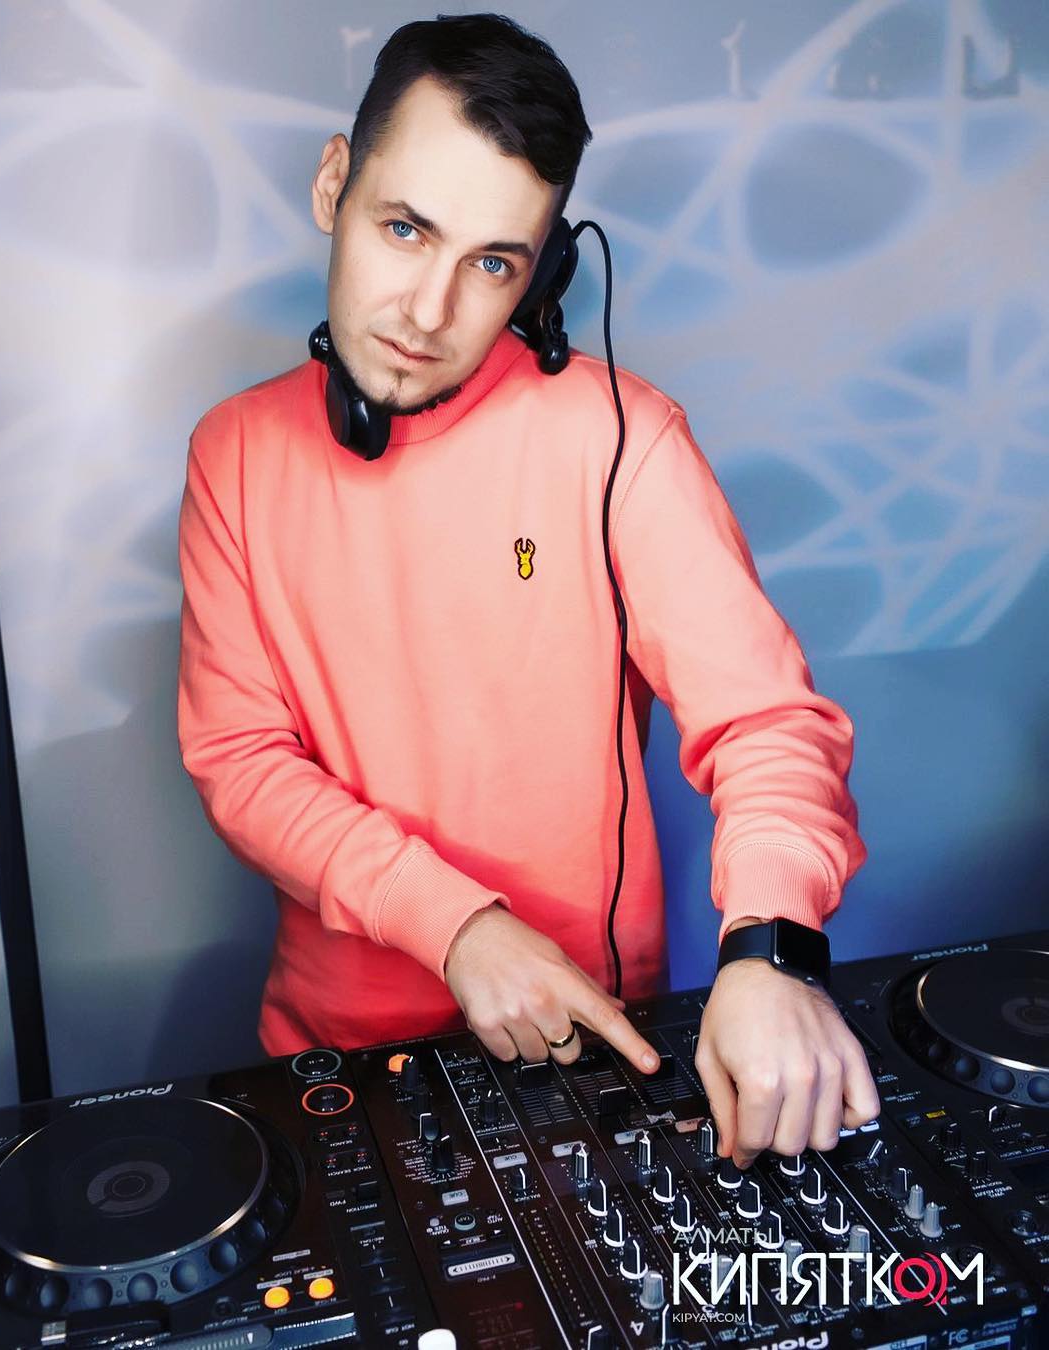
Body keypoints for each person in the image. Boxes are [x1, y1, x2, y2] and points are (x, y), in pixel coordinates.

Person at [177, 13, 879, 1169]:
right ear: (334, 183)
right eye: (405, 228)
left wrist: (771, 950)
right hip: (332, 1058)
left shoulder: (624, 440)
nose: (428, 312)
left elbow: (766, 723)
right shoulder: (235, 454)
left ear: (542, 272)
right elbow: (242, 760)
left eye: (492, 263)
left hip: (588, 1041)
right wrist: (456, 927)